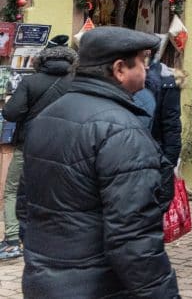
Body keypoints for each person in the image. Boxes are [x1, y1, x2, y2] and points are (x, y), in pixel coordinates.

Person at [19, 26, 178, 297]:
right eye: (142, 61)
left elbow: (25, 206)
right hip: (97, 284)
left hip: (44, 280)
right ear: (119, 69)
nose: (146, 69)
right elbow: (133, 237)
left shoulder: (47, 116)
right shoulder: (121, 131)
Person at [0, 39, 76, 260]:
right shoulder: (74, 82)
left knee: (13, 190)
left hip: (29, 145)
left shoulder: (31, 82)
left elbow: (11, 113)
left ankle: (13, 240)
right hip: (65, 148)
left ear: (41, 60)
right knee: (60, 191)